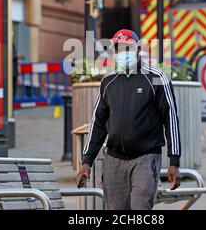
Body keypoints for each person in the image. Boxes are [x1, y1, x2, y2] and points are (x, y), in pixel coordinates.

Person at [76, 29, 181, 210]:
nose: (123, 52)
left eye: (128, 47)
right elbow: (98, 123)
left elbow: (170, 118)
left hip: (146, 157)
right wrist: (87, 161)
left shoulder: (157, 78)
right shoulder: (108, 82)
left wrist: (174, 161)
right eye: (119, 48)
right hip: (114, 159)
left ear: (138, 49)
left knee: (139, 207)